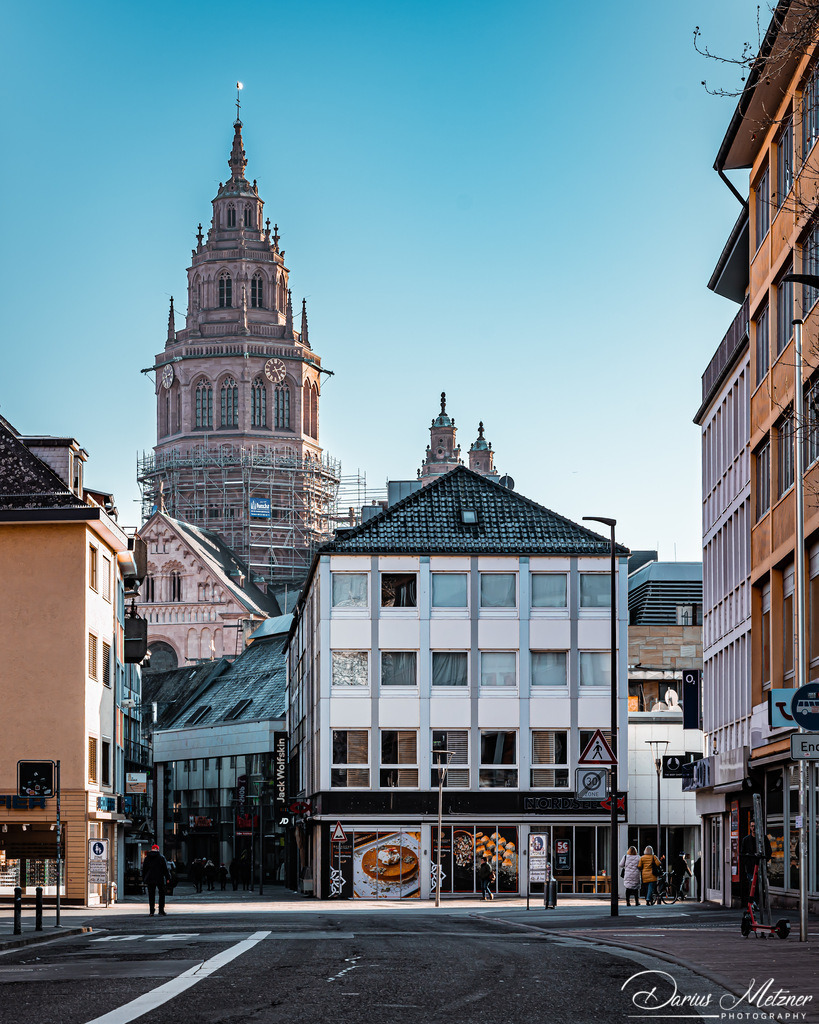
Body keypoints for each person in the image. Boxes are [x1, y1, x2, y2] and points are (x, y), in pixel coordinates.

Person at [740, 821, 772, 899]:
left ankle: (759, 901)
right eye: (752, 826)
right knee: (752, 886)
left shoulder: (763, 838)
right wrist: (747, 863)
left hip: (761, 866)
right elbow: (742, 854)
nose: (753, 828)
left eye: (755, 826)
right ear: (750, 827)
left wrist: (765, 860)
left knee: (761, 885)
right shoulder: (746, 840)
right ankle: (753, 902)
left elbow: (769, 851)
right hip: (750, 867)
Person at [141, 843, 171, 917]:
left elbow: (144, 869)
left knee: (151, 895)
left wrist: (144, 878)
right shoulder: (161, 857)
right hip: (159, 878)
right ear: (158, 849)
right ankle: (161, 910)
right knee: (162, 894)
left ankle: (151, 911)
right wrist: (168, 878)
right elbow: (165, 869)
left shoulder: (147, 858)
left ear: (152, 849)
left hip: (150, 879)